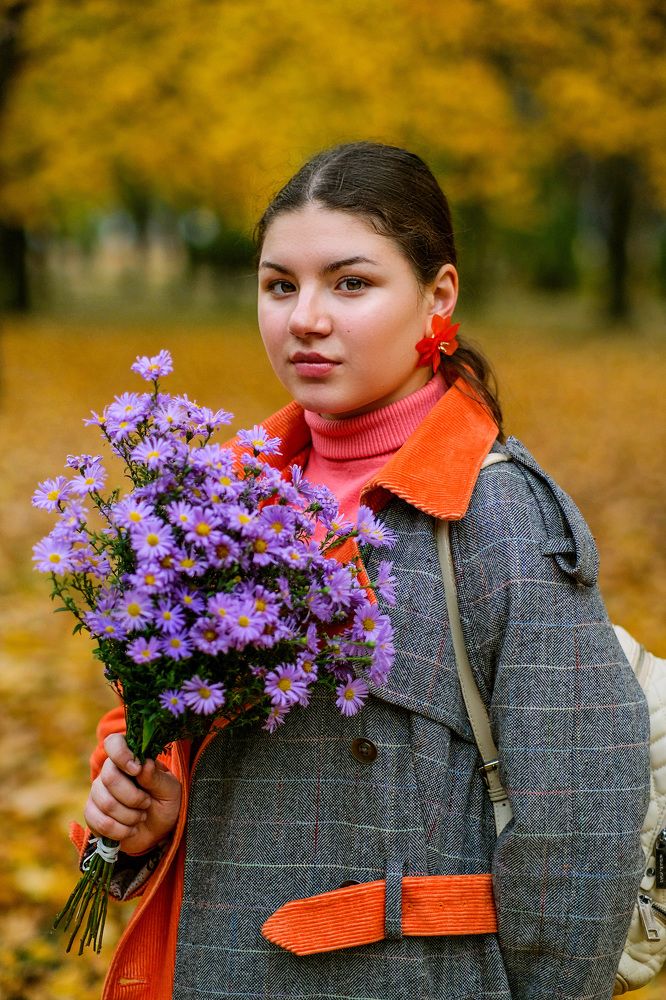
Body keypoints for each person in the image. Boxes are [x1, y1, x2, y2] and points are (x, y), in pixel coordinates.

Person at [79, 141, 650, 1000]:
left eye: (350, 283)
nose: (305, 317)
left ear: (438, 297)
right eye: (280, 285)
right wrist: (149, 819)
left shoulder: (495, 515)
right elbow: (192, 760)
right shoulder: (218, 505)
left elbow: (580, 835)